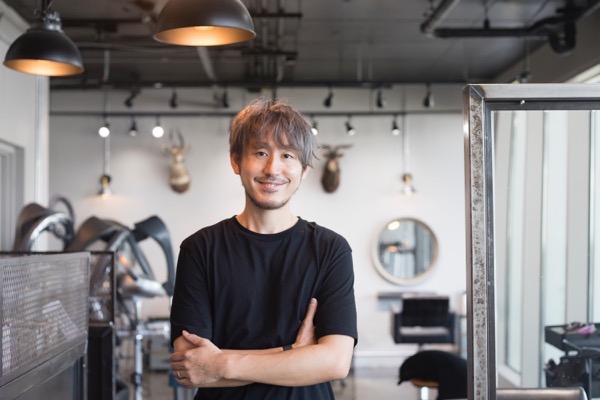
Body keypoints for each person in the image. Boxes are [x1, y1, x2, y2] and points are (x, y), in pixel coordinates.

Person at [169, 97, 358, 399]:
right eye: (260, 152)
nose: (273, 168)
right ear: (235, 161)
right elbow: (192, 369)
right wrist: (294, 353)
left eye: (288, 155)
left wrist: (221, 363)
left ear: (304, 170)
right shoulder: (199, 249)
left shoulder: (330, 249)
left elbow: (335, 362)